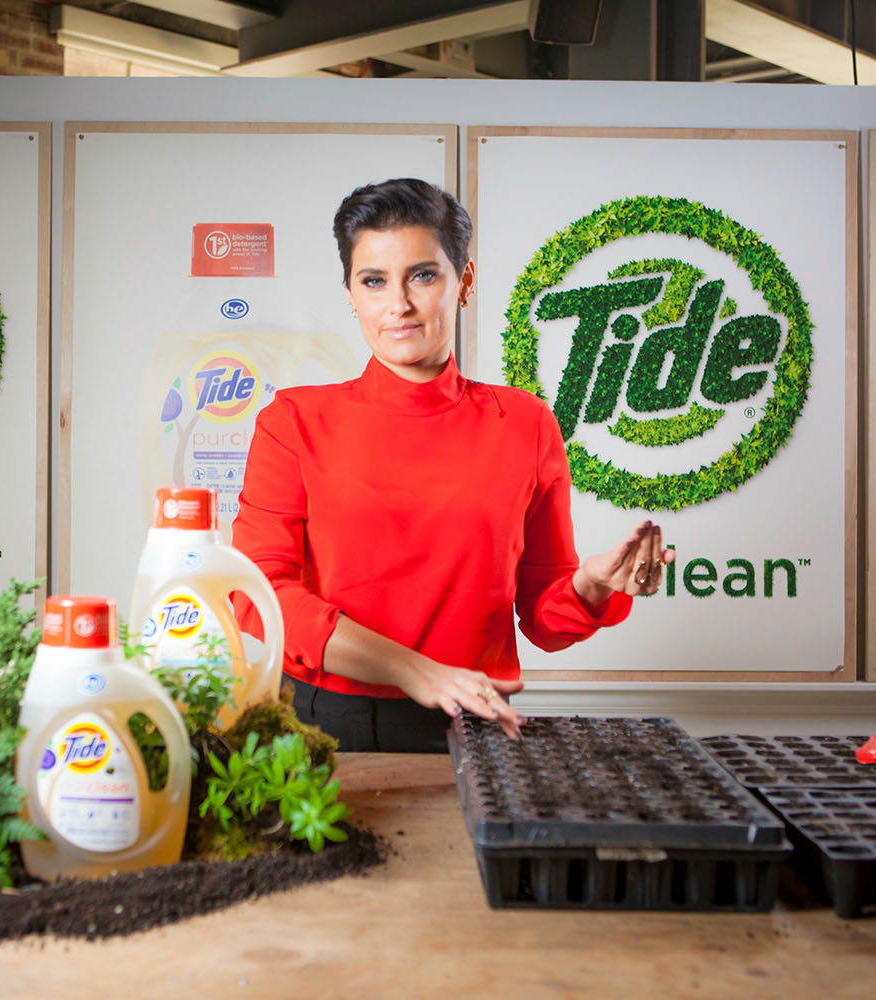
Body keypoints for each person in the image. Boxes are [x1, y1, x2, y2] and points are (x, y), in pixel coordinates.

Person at [231, 178, 673, 753]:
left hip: (476, 721)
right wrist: (413, 670)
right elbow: (258, 595)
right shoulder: (294, 421)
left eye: (422, 275)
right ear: (351, 294)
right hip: (324, 725)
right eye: (373, 281)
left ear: (463, 282)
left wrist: (590, 587)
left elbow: (544, 618)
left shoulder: (525, 423)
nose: (398, 304)